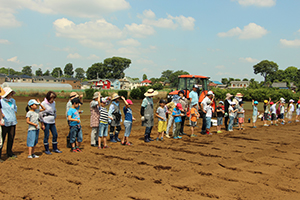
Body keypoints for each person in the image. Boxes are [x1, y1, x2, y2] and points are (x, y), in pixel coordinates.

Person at [0, 87, 18, 161]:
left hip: (12, 121)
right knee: (2, 139)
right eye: (9, 93)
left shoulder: (13, 101)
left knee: (11, 137)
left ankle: (9, 152)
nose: (10, 94)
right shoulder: (1, 101)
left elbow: (15, 109)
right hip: (4, 122)